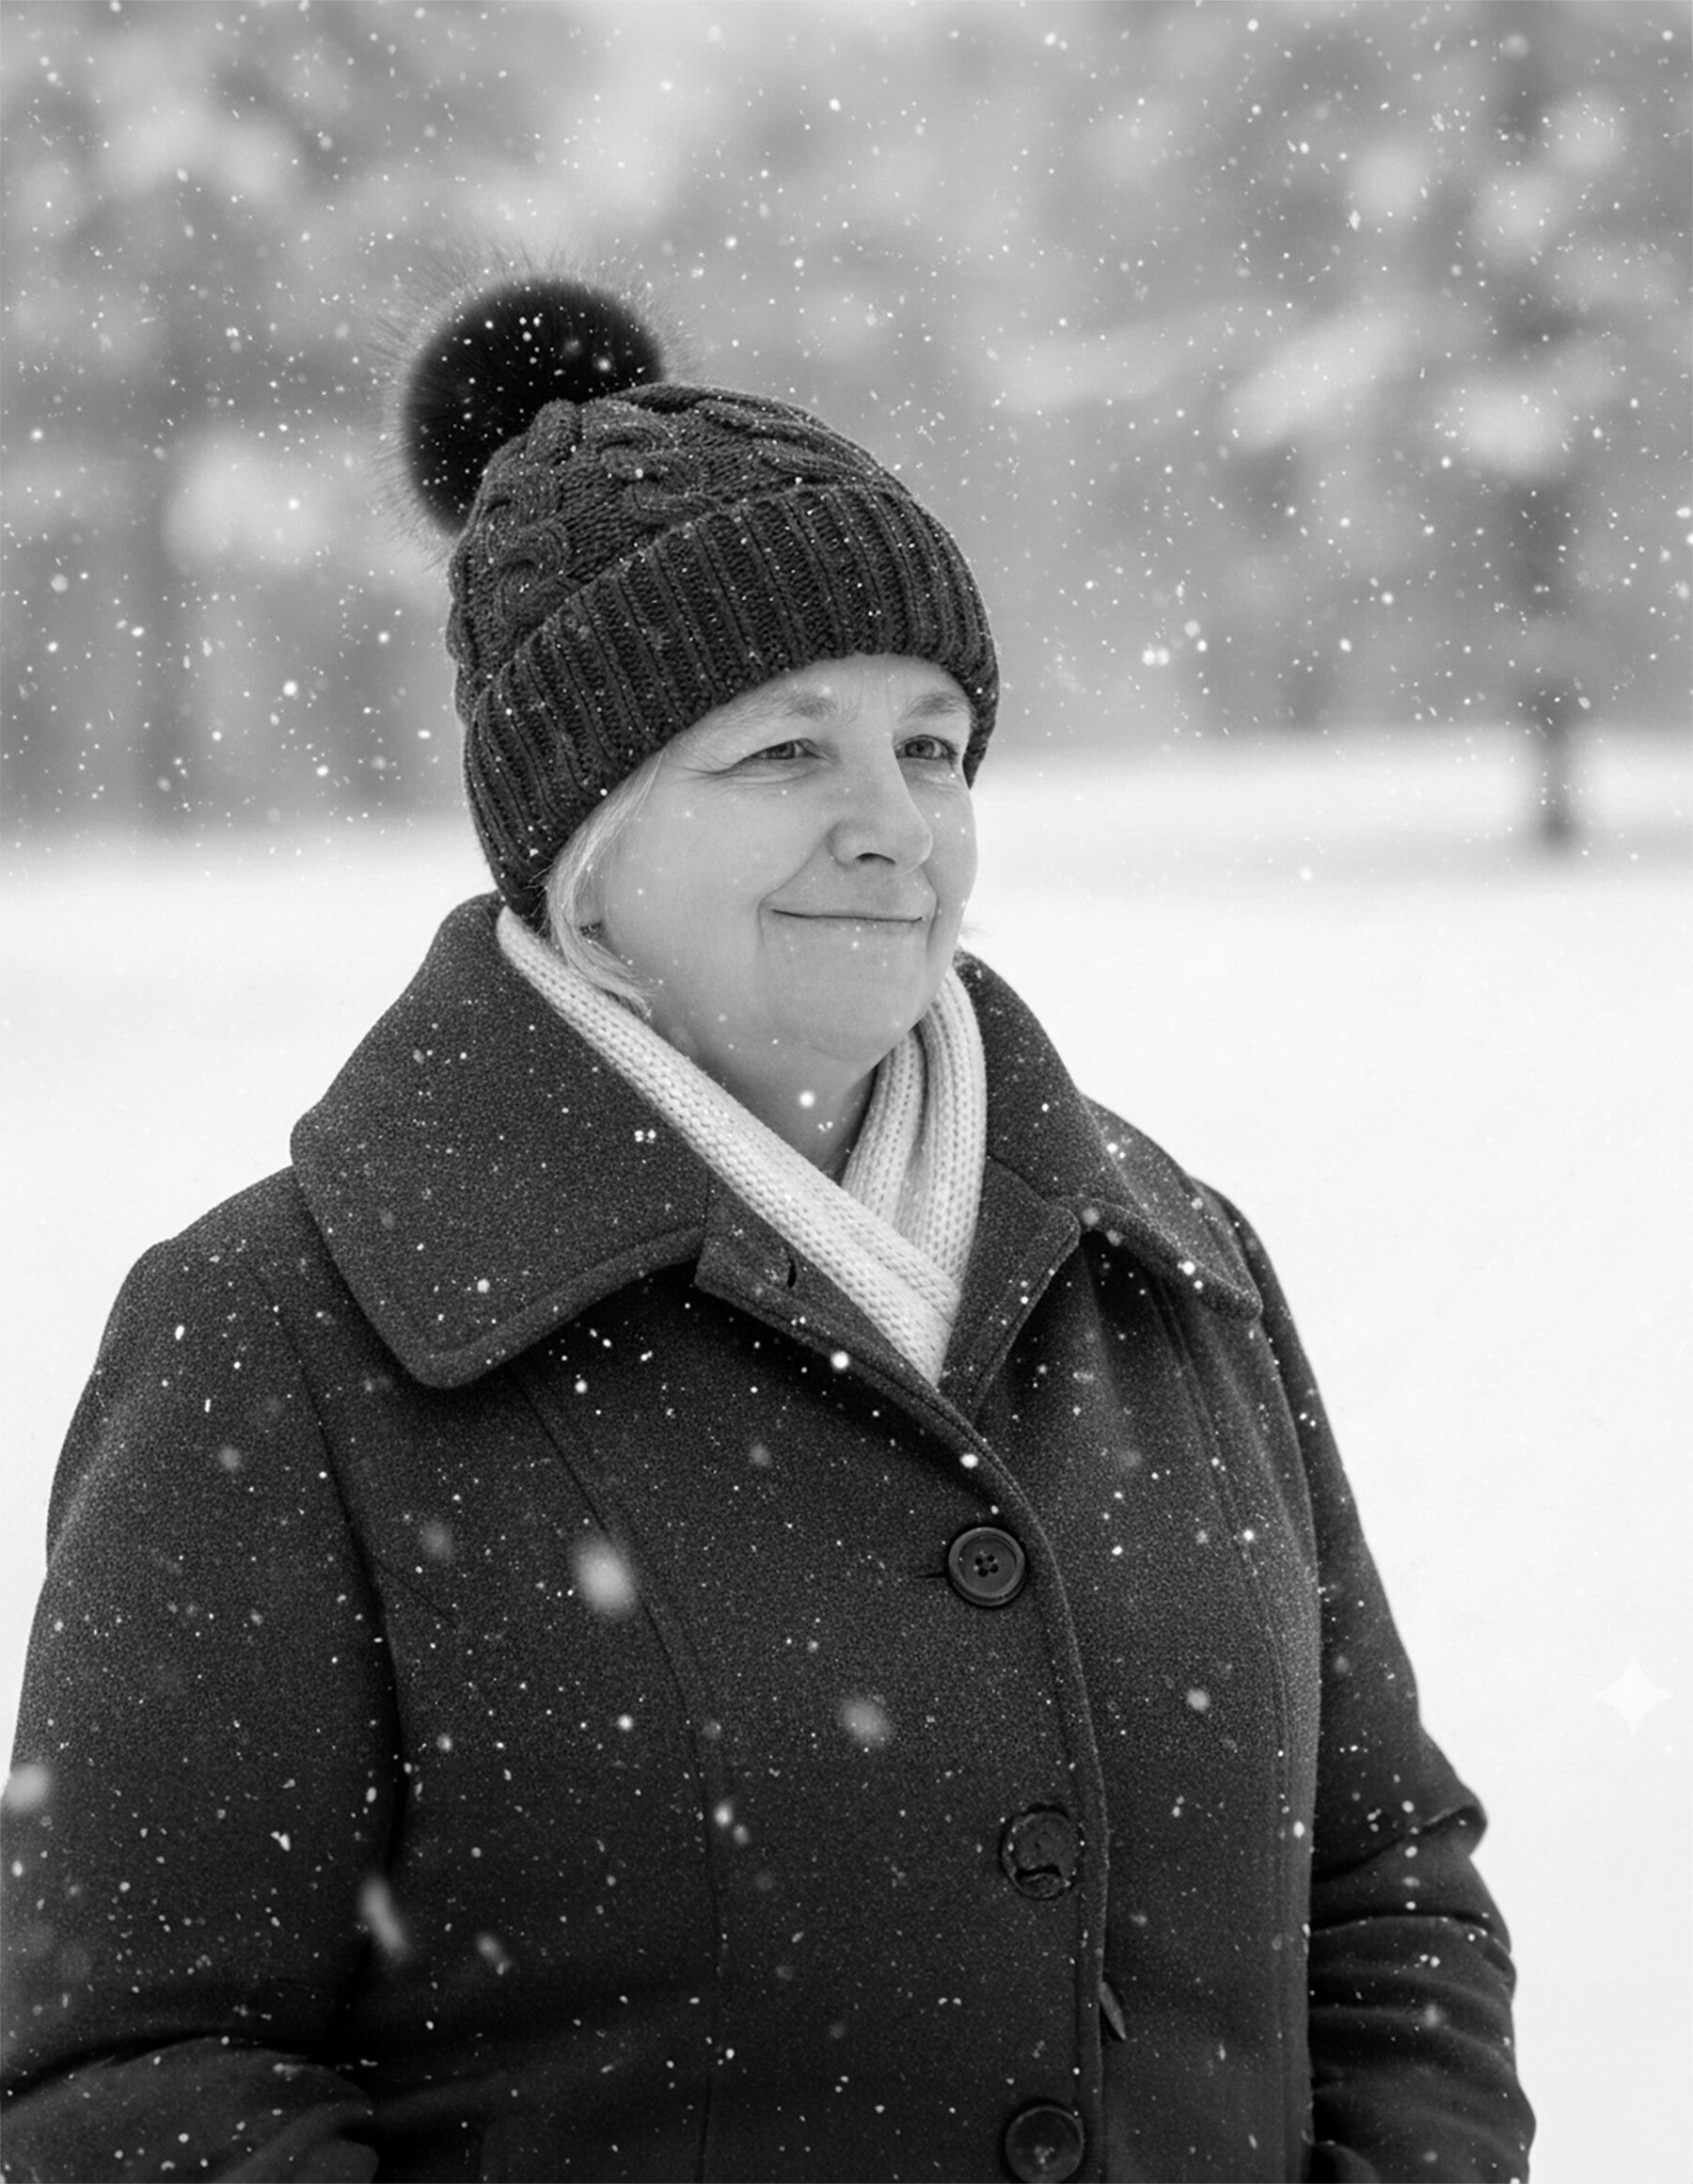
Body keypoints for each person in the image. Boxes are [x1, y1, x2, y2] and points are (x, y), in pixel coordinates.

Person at [1, 275, 1533, 2184]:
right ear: (583, 857)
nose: (896, 825)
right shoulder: (278, 1339)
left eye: (934, 746)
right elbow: (145, 2078)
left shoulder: (1175, 1267)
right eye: (788, 754)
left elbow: (1387, 1893)